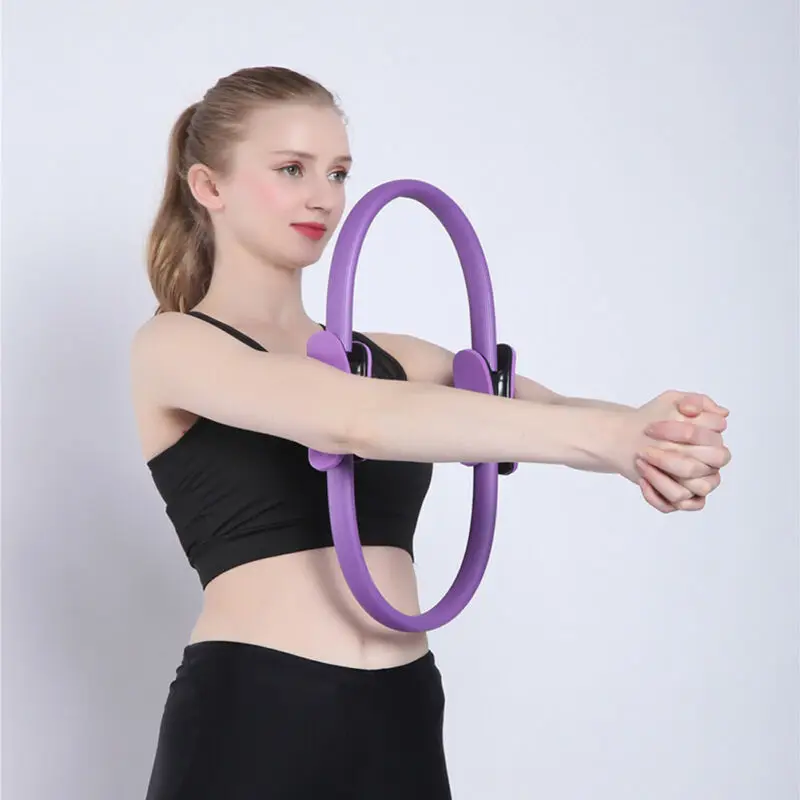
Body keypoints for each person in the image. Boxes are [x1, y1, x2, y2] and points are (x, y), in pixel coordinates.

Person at [130, 66, 731, 799]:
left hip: (402, 710)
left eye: (338, 172)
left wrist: (658, 438)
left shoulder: (396, 359)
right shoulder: (175, 348)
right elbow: (357, 420)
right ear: (208, 186)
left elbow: (546, 412)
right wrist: (612, 437)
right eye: (291, 169)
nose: (324, 196)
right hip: (255, 709)